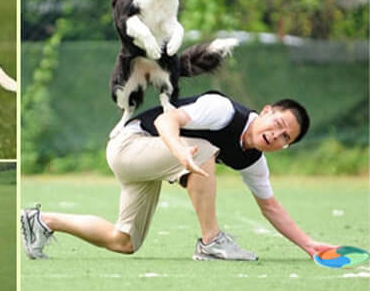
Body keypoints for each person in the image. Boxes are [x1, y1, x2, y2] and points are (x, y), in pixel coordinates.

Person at [20, 90, 333, 262]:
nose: (276, 135)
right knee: (204, 150)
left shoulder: (253, 159)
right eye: (277, 123)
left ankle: (42, 220)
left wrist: (308, 245)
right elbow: (167, 121)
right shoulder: (223, 110)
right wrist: (181, 152)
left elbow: (270, 207)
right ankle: (212, 242)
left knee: (124, 241)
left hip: (148, 163)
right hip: (129, 145)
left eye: (284, 137)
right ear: (266, 111)